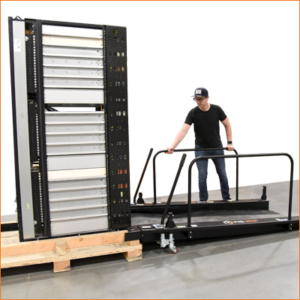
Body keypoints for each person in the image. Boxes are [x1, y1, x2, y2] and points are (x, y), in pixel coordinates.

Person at [164, 86, 235, 203]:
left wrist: (230, 142)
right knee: (202, 176)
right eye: (196, 99)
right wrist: (173, 146)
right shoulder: (193, 112)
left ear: (208, 98)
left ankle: (227, 199)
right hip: (201, 148)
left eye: (200, 99)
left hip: (217, 147)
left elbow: (227, 125)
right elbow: (184, 130)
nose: (198, 102)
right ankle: (203, 202)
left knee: (222, 173)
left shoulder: (217, 109)